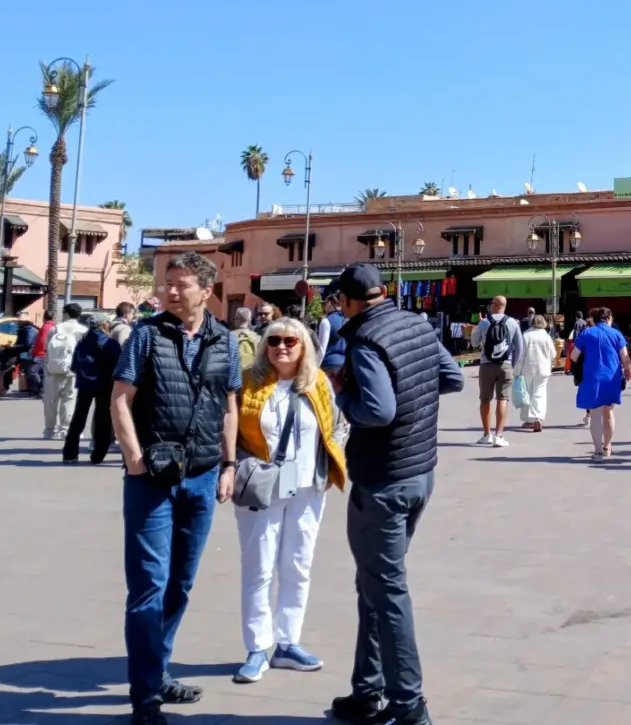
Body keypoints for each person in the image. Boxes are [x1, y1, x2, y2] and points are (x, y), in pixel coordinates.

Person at [109, 253, 242, 725]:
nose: (169, 291)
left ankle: (158, 670)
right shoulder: (146, 335)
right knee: (148, 586)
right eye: (167, 283)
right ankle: (145, 698)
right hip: (152, 481)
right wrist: (135, 460)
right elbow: (120, 399)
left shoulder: (224, 341)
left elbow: (229, 407)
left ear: (205, 290)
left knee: (180, 586)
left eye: (180, 284)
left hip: (203, 477)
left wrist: (229, 465)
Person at [330, 263, 464, 725]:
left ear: (347, 301)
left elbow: (378, 409)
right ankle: (366, 691)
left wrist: (340, 395)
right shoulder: (416, 323)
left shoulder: (364, 340)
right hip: (420, 473)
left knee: (386, 591)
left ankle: (408, 704)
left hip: (383, 479)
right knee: (373, 582)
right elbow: (452, 378)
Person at [232, 316, 346, 684]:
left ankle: (287, 643)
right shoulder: (248, 383)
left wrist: (331, 464)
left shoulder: (319, 383)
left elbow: (338, 426)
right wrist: (232, 466)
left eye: (290, 342)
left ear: (304, 347)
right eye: (274, 340)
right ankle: (256, 647)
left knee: (298, 565)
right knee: (259, 566)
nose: (281, 347)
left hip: (308, 487)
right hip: (262, 487)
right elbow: (228, 428)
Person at [570, 307, 630, 461]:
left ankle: (597, 452)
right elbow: (625, 356)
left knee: (595, 414)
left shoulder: (587, 333)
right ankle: (607, 446)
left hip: (592, 377)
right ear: (608, 318)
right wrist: (628, 370)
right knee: (609, 412)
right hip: (612, 377)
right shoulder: (616, 333)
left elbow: (574, 356)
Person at [62, 315, 123, 464]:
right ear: (104, 325)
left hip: (84, 384)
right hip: (105, 385)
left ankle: (70, 453)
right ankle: (98, 455)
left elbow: (74, 365)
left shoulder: (82, 342)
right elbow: (118, 366)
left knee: (78, 418)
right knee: (103, 419)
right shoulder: (111, 344)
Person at [473, 295, 523, 448]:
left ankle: (487, 434)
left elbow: (474, 342)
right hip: (505, 365)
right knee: (503, 399)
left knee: (485, 399)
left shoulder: (485, 322)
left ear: (494, 305)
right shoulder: (513, 323)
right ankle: (499, 435)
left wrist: (479, 328)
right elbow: (519, 347)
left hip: (486, 365)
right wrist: (512, 364)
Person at [42, 303, 89, 440]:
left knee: (51, 401)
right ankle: (65, 429)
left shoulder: (56, 329)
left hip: (54, 368)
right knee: (69, 400)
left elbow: (47, 348)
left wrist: (48, 365)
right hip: (74, 370)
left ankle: (49, 430)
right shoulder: (83, 330)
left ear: (66, 314)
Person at [517, 313, 556, 432]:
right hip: (543, 370)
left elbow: (520, 355)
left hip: (528, 368)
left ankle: (529, 420)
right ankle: (538, 417)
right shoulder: (546, 337)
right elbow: (553, 354)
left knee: (527, 393)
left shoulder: (526, 335)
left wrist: (517, 370)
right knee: (540, 393)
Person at [316, 287, 347, 377]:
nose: (323, 307)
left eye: (324, 304)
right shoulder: (345, 320)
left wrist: (315, 367)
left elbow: (322, 347)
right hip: (344, 364)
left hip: (328, 364)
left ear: (329, 303)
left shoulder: (326, 321)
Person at [232, 307, 261, 374]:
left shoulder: (228, 337)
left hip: (234, 376)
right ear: (249, 320)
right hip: (251, 375)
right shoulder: (257, 338)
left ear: (236, 319)